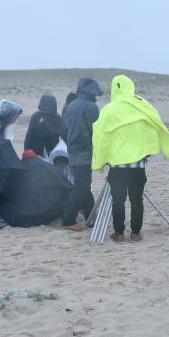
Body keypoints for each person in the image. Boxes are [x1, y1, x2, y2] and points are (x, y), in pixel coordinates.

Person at [91, 75, 169, 242]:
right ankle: (136, 233)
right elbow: (153, 128)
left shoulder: (109, 109)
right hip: (138, 166)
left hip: (117, 166)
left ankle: (119, 233)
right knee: (137, 199)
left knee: (118, 200)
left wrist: (101, 159)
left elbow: (100, 136)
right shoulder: (142, 106)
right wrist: (150, 150)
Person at [61, 78, 102, 231]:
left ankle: (90, 217)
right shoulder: (91, 107)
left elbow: (64, 130)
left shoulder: (70, 105)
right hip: (85, 151)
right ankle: (68, 220)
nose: (96, 97)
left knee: (84, 184)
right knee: (81, 185)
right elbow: (96, 132)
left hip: (73, 150)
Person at [23, 94, 63, 158]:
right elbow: (29, 136)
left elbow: (62, 135)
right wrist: (26, 150)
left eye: (49, 108)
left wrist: (49, 127)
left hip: (52, 151)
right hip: (35, 151)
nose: (46, 111)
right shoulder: (35, 117)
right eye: (44, 108)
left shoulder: (58, 119)